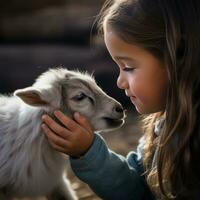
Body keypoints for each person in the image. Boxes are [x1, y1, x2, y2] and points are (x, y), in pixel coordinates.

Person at [41, 0, 200, 199]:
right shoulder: (162, 130)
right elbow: (136, 190)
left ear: (178, 56)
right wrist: (89, 151)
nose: (120, 82)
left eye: (128, 67)